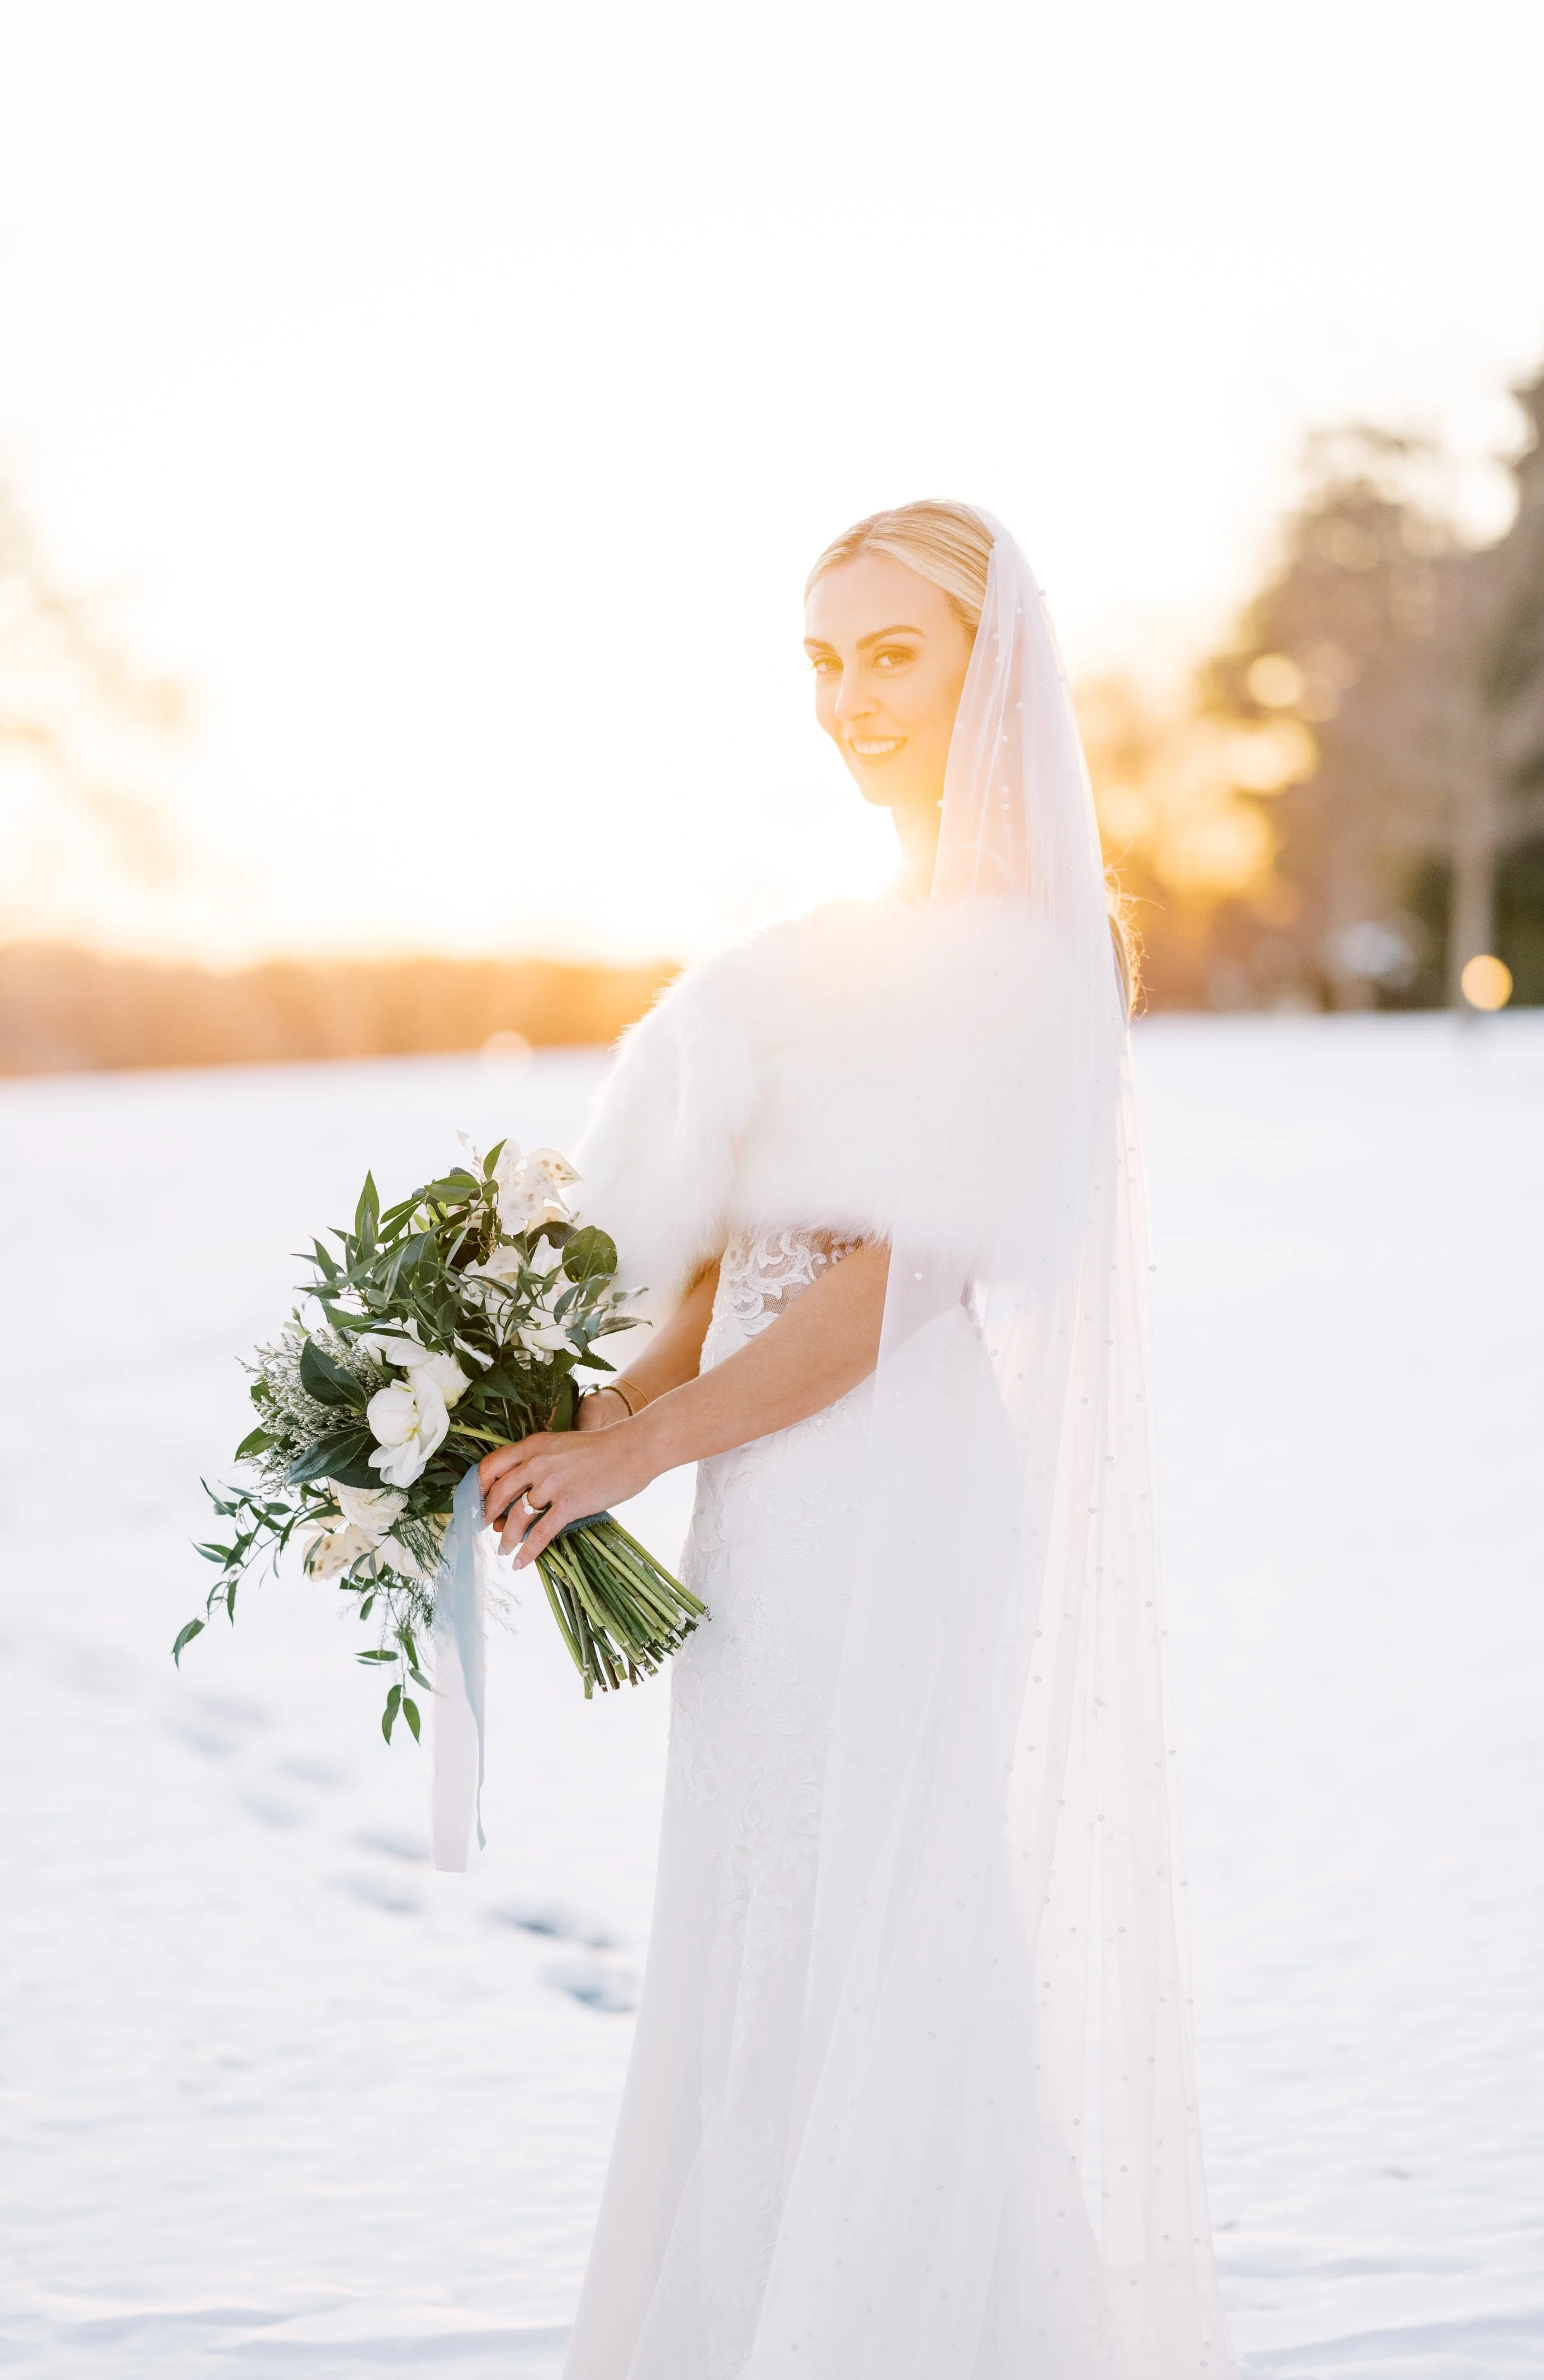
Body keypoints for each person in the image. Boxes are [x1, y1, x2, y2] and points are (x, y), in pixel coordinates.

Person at [476, 502, 1234, 2379]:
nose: (846, 697)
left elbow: (902, 1279)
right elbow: (737, 1255)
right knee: (756, 1914)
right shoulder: (837, 946)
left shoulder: (1028, 953)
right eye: (821, 659)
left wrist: (654, 1449)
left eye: (889, 651)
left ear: (988, 667)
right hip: (760, 1485)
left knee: (883, 1914)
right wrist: (603, 1407)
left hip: (889, 1482)